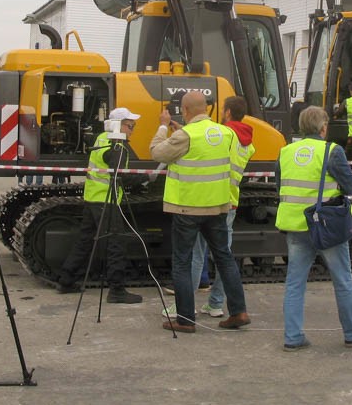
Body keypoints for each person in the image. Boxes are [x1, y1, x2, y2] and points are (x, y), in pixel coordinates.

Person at [150, 90, 250, 334]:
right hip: (217, 207)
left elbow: (156, 152)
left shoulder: (185, 135)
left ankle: (185, 319)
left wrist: (164, 127)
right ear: (206, 108)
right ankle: (238, 311)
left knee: (182, 262)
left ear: (184, 111)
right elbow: (237, 160)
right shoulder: (227, 133)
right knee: (224, 257)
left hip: (187, 208)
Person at [276, 105, 352, 351]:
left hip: (295, 225)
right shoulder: (332, 151)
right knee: (342, 279)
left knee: (295, 282)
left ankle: (293, 337)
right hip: (326, 226)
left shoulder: (285, 151)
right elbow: (350, 186)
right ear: (323, 128)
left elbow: (280, 186)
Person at [54, 107, 145, 303]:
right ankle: (117, 290)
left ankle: (66, 279)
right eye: (130, 125)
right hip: (106, 201)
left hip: (94, 197)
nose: (133, 129)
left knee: (85, 240)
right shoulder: (116, 145)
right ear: (118, 125)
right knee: (115, 243)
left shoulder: (101, 138)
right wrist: (145, 178)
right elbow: (119, 174)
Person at [185, 96, 255, 318]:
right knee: (224, 257)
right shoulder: (248, 143)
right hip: (230, 203)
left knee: (196, 254)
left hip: (210, 200)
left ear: (226, 113)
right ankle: (215, 304)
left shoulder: (223, 135)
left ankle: (183, 308)